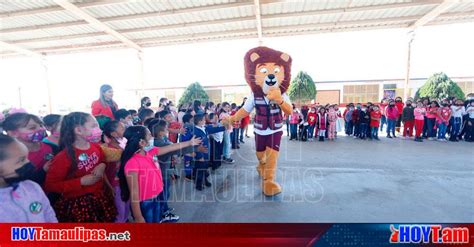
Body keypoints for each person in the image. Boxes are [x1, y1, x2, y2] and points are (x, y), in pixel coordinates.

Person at [117, 126, 200, 223]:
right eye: (148, 135)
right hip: (145, 201)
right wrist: (138, 217)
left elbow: (171, 147)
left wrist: (189, 143)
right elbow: (134, 192)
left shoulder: (149, 152)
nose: (151, 136)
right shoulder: (132, 163)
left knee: (156, 220)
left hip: (156, 196)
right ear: (141, 142)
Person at [44, 112, 115, 222]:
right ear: (78, 130)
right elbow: (50, 185)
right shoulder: (63, 157)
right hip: (78, 205)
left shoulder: (96, 147)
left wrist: (102, 165)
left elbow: (102, 160)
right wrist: (80, 182)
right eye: (93, 126)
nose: (98, 129)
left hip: (100, 197)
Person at [151, 120, 201, 223]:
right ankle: (163, 213)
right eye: (166, 129)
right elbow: (176, 149)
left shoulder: (160, 140)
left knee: (165, 193)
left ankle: (164, 209)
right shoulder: (159, 143)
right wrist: (193, 146)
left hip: (165, 171)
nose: (167, 130)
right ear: (161, 132)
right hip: (162, 174)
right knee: (163, 194)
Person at [0, 134, 57, 223]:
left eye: (27, 158)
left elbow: (48, 214)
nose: (29, 162)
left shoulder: (32, 187)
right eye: (21, 160)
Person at [3, 113, 52, 185]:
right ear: (13, 133)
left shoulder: (50, 147)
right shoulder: (10, 156)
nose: (42, 129)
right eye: (32, 128)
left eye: (41, 125)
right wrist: (43, 171)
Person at [102, 120, 130, 223]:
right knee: (120, 212)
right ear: (113, 134)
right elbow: (103, 172)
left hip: (126, 182)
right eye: (122, 128)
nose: (125, 130)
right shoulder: (107, 150)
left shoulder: (123, 144)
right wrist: (109, 187)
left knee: (126, 209)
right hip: (116, 185)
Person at [191, 114, 226, 191]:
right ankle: (198, 184)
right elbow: (195, 146)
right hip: (200, 155)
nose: (205, 121)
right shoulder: (195, 132)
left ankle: (205, 180)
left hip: (206, 153)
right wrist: (200, 157)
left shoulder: (204, 128)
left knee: (205, 168)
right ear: (200, 121)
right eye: (204, 120)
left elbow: (214, 130)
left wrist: (224, 128)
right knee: (199, 169)